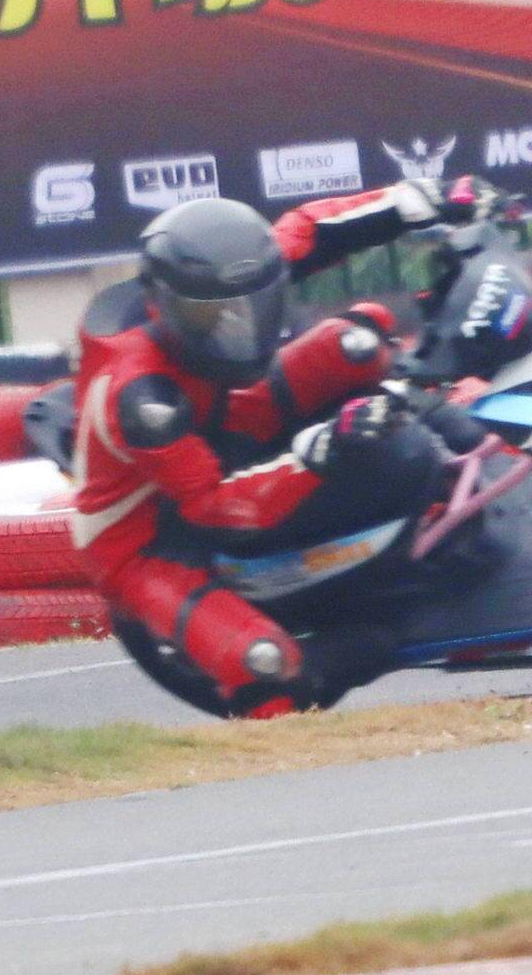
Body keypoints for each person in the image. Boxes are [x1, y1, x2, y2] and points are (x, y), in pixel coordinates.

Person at [66, 178, 489, 717]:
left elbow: (311, 229)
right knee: (263, 663)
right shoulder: (142, 400)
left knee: (354, 344)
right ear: (161, 308)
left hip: (220, 423)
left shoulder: (228, 275)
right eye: (212, 318)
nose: (240, 327)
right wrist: (320, 448)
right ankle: (337, 658)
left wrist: (422, 200)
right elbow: (215, 506)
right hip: (149, 538)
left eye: (255, 305)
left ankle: (463, 434)